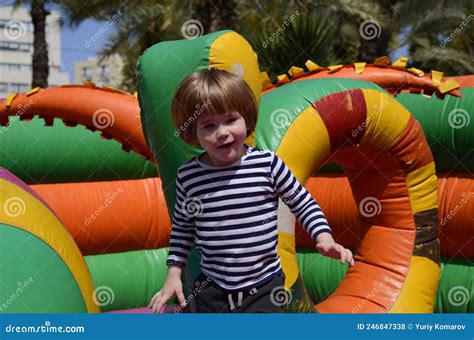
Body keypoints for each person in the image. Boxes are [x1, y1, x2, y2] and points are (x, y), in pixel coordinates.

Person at [149, 68, 354, 314]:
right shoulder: (189, 176)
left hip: (264, 285)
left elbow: (303, 202)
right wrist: (173, 274)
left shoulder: (267, 164)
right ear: (193, 132)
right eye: (208, 126)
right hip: (212, 287)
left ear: (245, 118)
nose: (222, 132)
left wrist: (324, 238)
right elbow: (183, 229)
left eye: (230, 120)